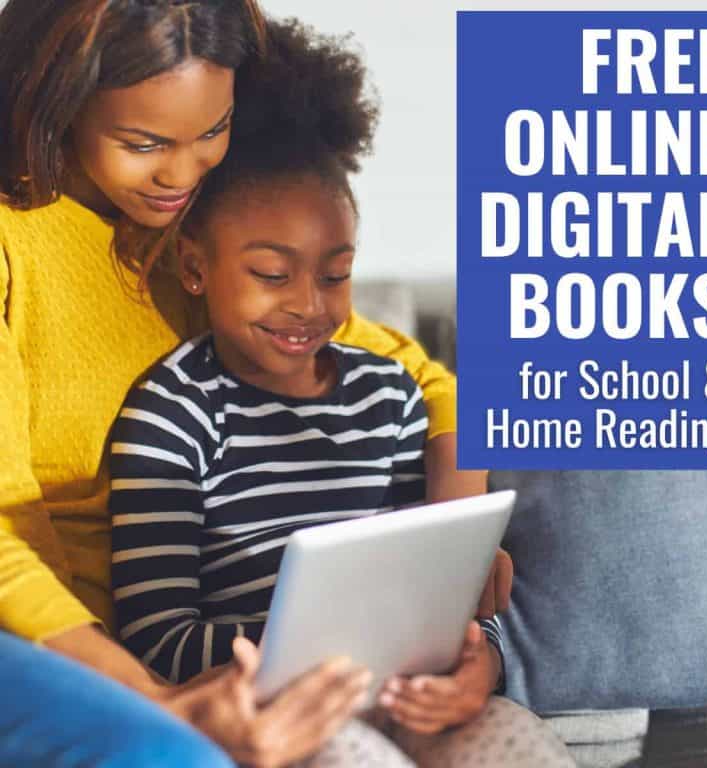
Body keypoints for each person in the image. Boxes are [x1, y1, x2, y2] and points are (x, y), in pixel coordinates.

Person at [0, 1, 512, 766]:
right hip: (61, 651)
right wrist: (157, 703)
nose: (182, 175)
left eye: (212, 131)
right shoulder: (18, 245)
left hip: (219, 663)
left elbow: (430, 383)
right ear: (58, 103)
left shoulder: (201, 234)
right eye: (144, 144)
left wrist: (453, 561)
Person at [108, 18, 576, 768]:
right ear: (195, 269)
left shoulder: (390, 398)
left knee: (515, 736)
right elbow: (156, 639)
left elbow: (445, 592)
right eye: (271, 275)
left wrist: (478, 658)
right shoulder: (172, 416)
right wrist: (319, 656)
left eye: (335, 274)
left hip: (403, 692)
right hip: (274, 710)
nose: (308, 304)